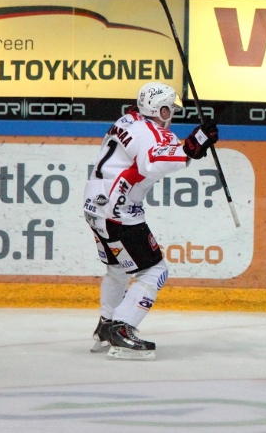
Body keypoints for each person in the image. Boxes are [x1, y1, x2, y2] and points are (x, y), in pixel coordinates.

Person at [82, 81, 219, 360]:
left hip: (95, 206)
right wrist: (193, 146)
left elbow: (153, 151)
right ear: (161, 109)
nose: (172, 115)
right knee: (156, 271)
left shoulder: (128, 119)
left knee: (117, 270)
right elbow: (150, 162)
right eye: (169, 109)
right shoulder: (149, 132)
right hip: (118, 210)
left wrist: (190, 148)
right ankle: (122, 328)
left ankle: (106, 325)